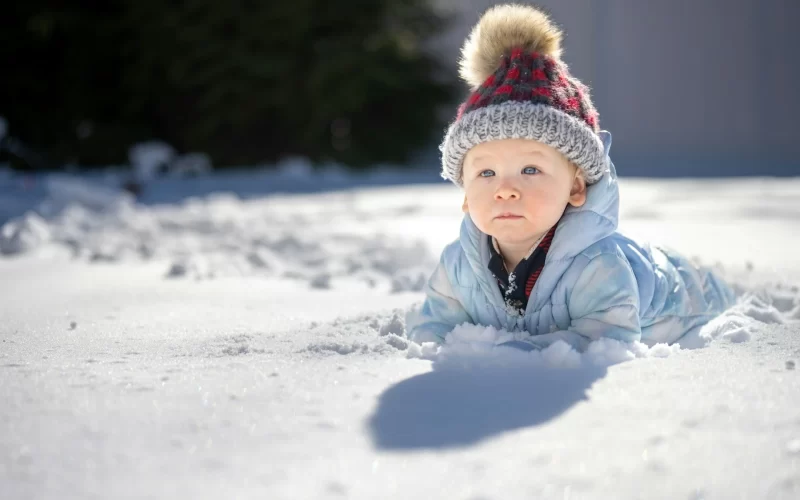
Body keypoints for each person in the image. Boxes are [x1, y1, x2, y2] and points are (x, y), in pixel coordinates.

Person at [406, 4, 735, 351]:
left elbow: (606, 339)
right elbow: (435, 327)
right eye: (486, 172)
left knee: (703, 285)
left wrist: (515, 356)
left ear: (576, 186)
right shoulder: (458, 265)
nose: (505, 190)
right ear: (466, 196)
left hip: (686, 300)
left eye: (530, 170)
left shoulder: (599, 266)